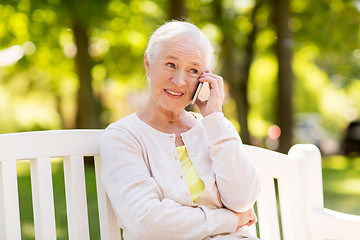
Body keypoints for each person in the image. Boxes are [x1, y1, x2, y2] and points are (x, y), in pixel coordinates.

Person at [100, 20, 261, 240]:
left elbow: (242, 200)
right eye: (170, 65)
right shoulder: (122, 137)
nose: (179, 80)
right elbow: (147, 223)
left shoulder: (214, 128)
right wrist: (230, 220)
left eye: (193, 70)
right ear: (148, 63)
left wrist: (214, 116)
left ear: (204, 79)